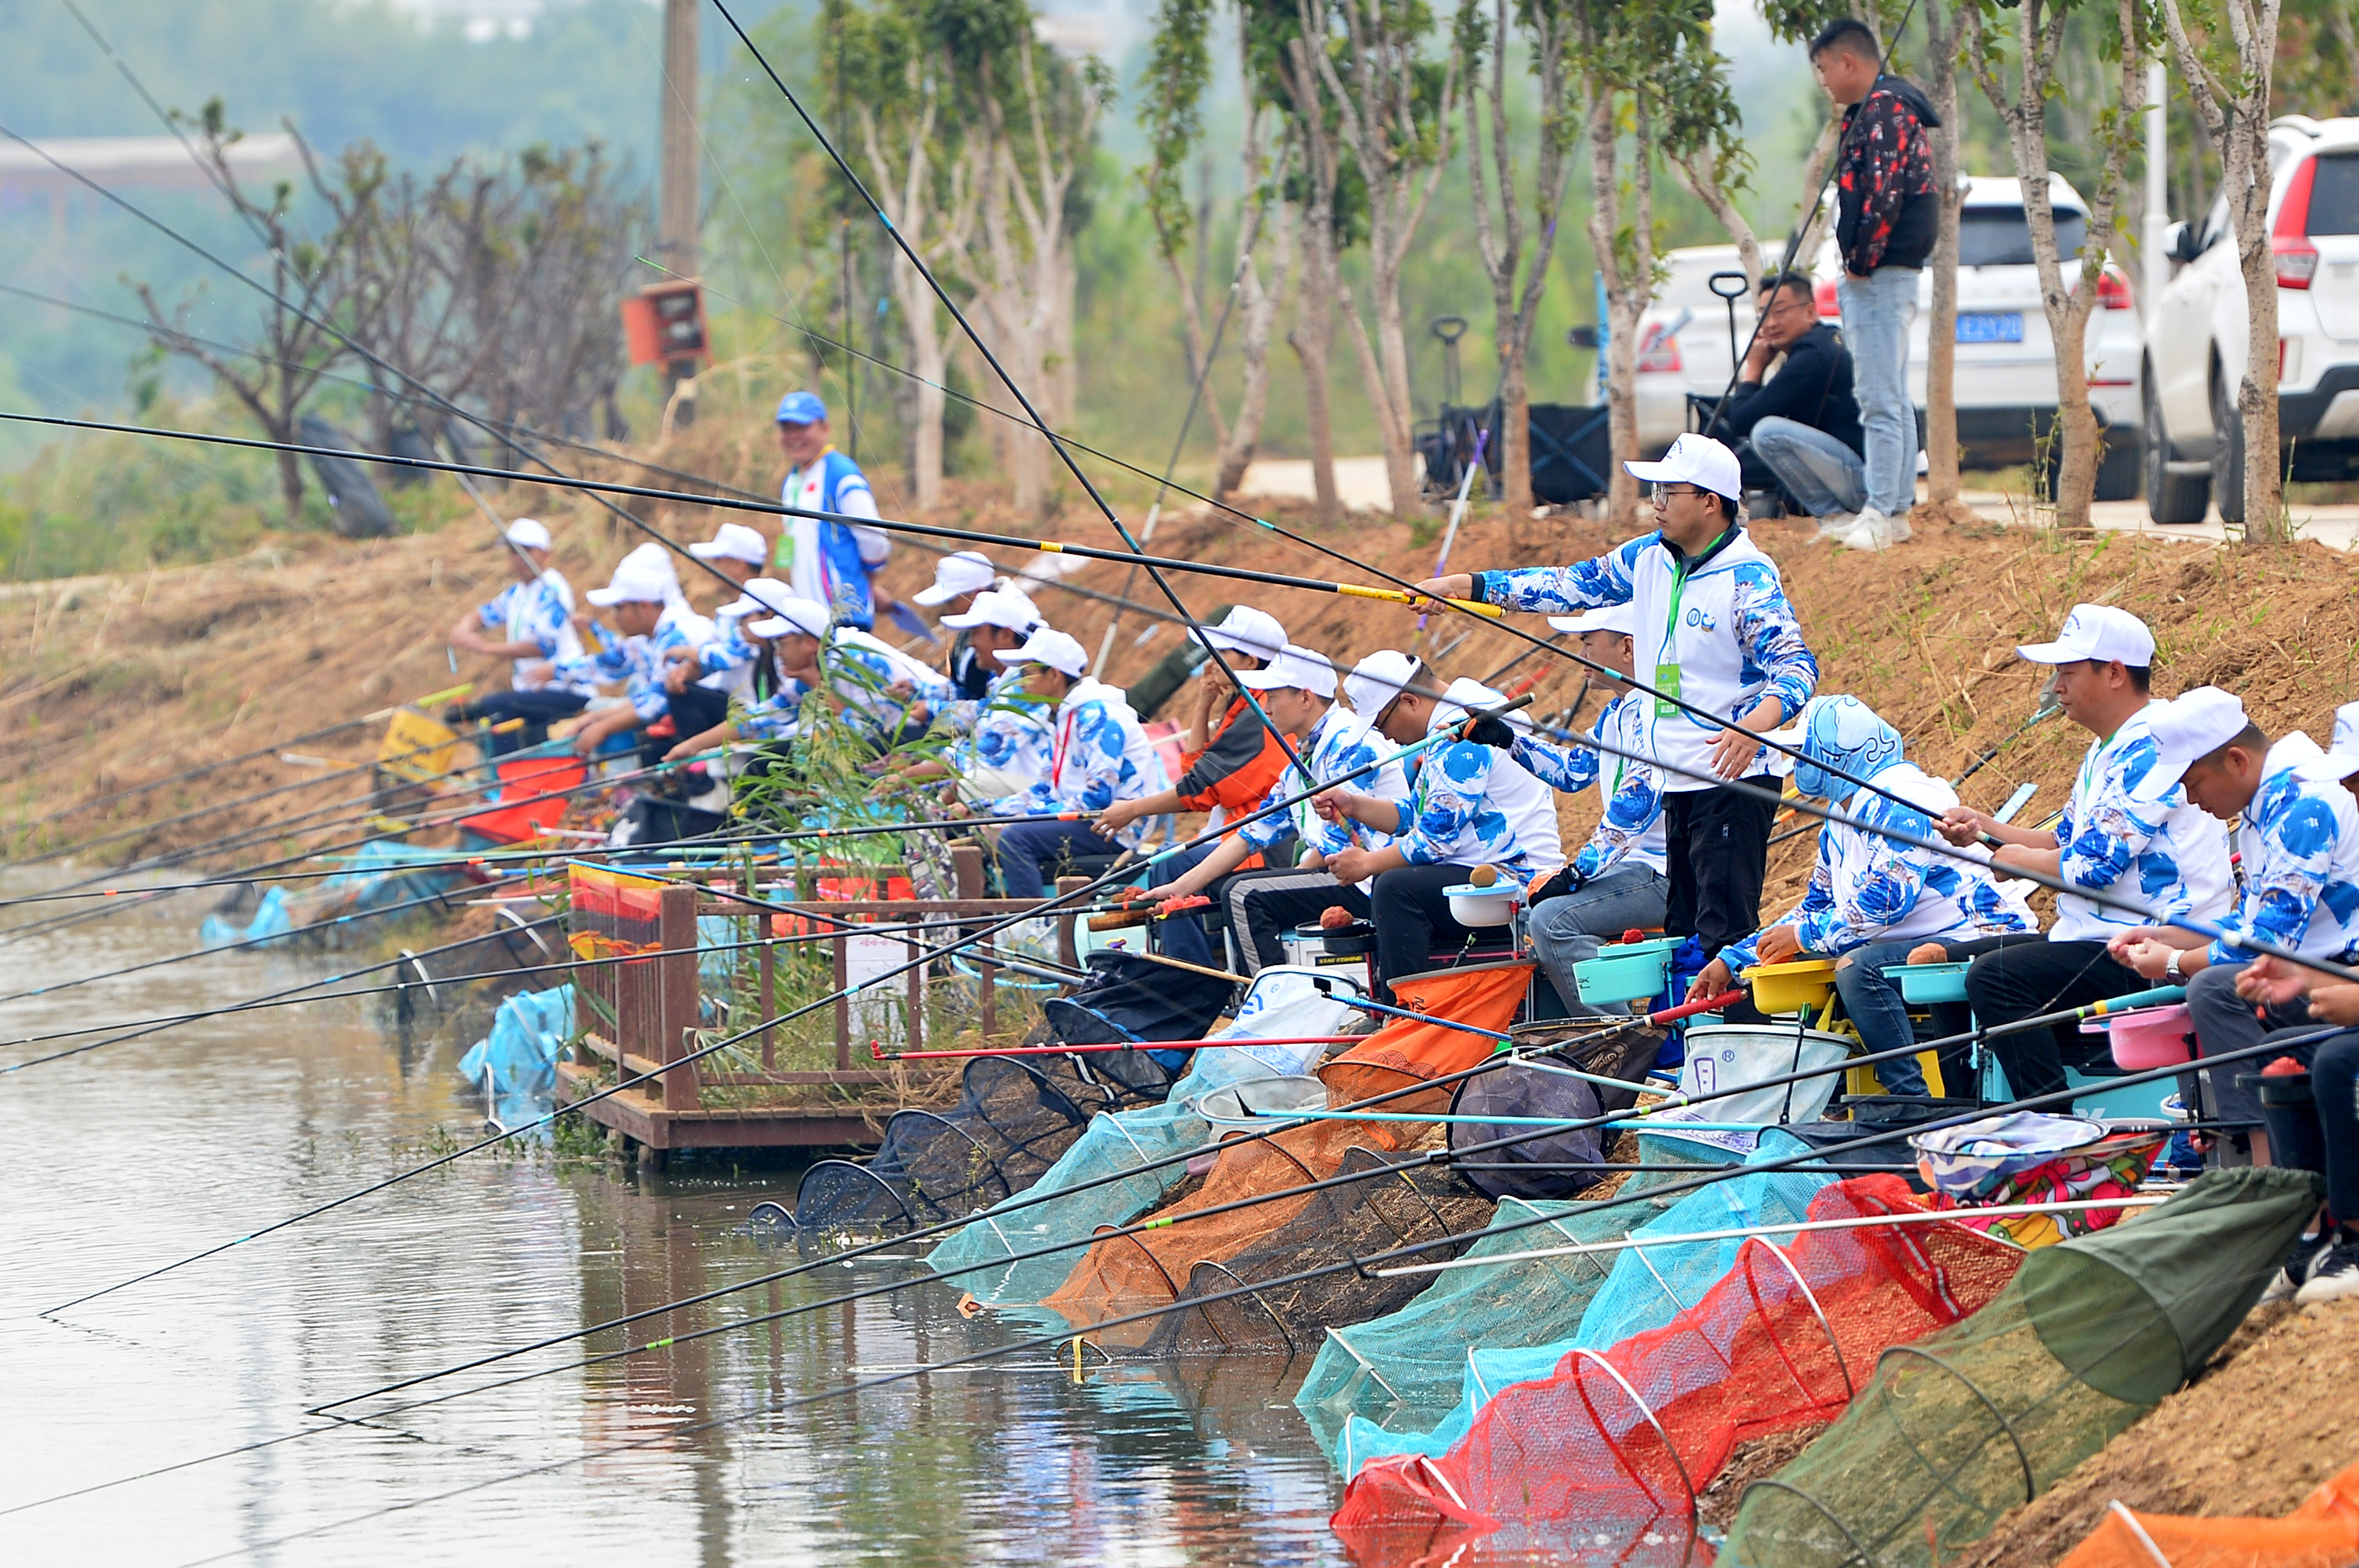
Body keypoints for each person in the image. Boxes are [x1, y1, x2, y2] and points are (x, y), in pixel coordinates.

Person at [1416, 431, 1820, 970]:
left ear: (1710, 502)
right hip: (1675, 776)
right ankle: (1685, 1042)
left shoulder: (1747, 579)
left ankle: (1731, 1039)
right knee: (1684, 930)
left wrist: (1753, 727)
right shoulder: (1649, 558)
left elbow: (1796, 669)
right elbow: (1568, 585)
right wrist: (1467, 586)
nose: (1655, 503)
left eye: (1668, 492)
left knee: (1723, 930)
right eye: (1653, 490)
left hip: (1733, 780)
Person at [1939, 605, 2234, 1106]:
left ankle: (2055, 1127)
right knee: (1950, 967)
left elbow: (2093, 868)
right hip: (2093, 937)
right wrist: (1984, 831)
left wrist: (2006, 860)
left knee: (1996, 976)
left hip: (2150, 943)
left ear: (2115, 673)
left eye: (2068, 673)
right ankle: (1972, 1117)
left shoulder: (2153, 743)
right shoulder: (2105, 749)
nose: (2057, 687)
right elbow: (2062, 844)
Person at [1687, 696, 2036, 1116]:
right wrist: (1735, 957)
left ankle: (1912, 1105)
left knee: (1857, 968)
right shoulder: (1841, 813)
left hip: (1983, 937)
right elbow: (1817, 905)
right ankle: (1850, 1098)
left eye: (1804, 751)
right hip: (1924, 941)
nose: (1796, 761)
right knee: (1832, 964)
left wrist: (1800, 936)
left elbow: (1886, 903)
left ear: (1838, 754)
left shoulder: (1900, 797)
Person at [2102, 688, 2359, 1166]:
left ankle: (2261, 1166)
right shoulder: (2262, 809)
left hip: (2339, 974)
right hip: (2306, 976)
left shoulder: (2301, 806)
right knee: (2211, 982)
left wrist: (2177, 962)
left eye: (2192, 781)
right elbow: (2248, 923)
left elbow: (2268, 943)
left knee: (2217, 988)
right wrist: (2164, 938)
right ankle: (2239, 1152)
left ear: (2236, 760)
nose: (2188, 798)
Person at [1143, 645, 1410, 974]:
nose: (1264, 707)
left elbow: (1335, 844)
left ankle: (1268, 998)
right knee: (1217, 888)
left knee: (1244, 893)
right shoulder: (1302, 756)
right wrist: (1181, 888)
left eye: (1272, 696)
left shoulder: (1349, 746)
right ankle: (1207, 980)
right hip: (1338, 874)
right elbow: (1254, 831)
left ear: (1306, 698)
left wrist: (1285, 882)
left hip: (1370, 879)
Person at [1313, 654, 1563, 993]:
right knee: (1397, 882)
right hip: (1481, 873)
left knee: (1394, 888)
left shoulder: (1460, 733)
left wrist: (1368, 864)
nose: (1386, 738)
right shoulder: (1459, 711)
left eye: (1381, 725)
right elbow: (1415, 814)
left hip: (1513, 883)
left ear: (1409, 701)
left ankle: (1403, 1013)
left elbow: (1433, 842)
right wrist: (1353, 804)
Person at [1486, 605, 1672, 1014]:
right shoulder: (1617, 714)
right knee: (1527, 909)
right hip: (1633, 869)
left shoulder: (1662, 712)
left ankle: (1618, 1042)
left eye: (1588, 643)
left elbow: (1634, 808)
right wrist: (1506, 739)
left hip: (1663, 873)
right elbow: (1572, 771)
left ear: (1627, 648)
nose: (1581, 655)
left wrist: (1576, 873)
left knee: (1552, 922)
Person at [1810, 16, 1941, 552]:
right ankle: (1897, 509)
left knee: (1879, 398)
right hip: (1884, 274)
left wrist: (1860, 260)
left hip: (1882, 274)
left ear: (1848, 62)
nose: (1823, 82)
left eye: (1823, 70)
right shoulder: (1875, 110)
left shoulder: (1885, 110)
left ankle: (1882, 511)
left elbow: (1884, 197)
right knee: (1889, 392)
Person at [1094, 606, 1294, 889]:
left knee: (1169, 863)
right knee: (1167, 858)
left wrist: (1133, 809)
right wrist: (1204, 702)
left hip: (1262, 849)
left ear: (1250, 662)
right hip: (1237, 835)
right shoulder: (1246, 706)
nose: (1211, 662)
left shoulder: (1259, 714)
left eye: (1221, 653)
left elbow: (1198, 790)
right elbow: (1196, 769)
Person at [984, 628, 1171, 899]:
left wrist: (1027, 816)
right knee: (988, 828)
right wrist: (991, 811)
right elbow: (1047, 788)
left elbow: (1099, 797)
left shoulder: (1096, 715)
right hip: (1087, 819)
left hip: (1115, 827)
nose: (1021, 683)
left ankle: (1032, 925)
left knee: (1016, 839)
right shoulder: (1064, 715)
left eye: (1026, 674)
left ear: (1055, 675)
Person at [668, 594, 951, 760]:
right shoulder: (822, 660)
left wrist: (815, 682)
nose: (777, 652)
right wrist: (691, 746)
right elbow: (761, 716)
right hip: (887, 738)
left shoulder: (853, 660)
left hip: (929, 732)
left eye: (782, 643)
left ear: (809, 643)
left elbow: (862, 733)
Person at [1721, 272, 1868, 535]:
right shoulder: (1827, 340)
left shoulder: (1813, 358)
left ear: (1811, 312)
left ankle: (1833, 517)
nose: (1770, 323)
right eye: (1763, 315)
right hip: (1868, 480)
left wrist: (1754, 367)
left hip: (1863, 485)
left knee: (1767, 433)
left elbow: (1741, 421)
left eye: (1780, 312)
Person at [874, 589, 1049, 801]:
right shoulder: (1000, 681)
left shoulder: (1025, 685)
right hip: (1013, 784)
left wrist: (905, 778)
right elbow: (974, 719)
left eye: (976, 633)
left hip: (1040, 794)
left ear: (1005, 634)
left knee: (973, 783)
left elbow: (980, 754)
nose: (969, 643)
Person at [548, 552, 717, 764]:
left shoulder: (677, 634)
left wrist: (603, 726)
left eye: (619, 608)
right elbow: (623, 670)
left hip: (704, 729)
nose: (614, 616)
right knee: (598, 712)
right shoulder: (655, 635)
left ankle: (626, 787)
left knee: (614, 726)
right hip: (687, 725)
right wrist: (595, 719)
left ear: (644, 605)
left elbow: (656, 702)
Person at [444, 519, 596, 753]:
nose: (518, 559)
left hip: (564, 688)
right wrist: (464, 628)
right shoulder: (516, 593)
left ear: (546, 554)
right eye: (513, 552)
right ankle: (509, 775)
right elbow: (485, 614)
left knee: (493, 705)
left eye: (526, 551)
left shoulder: (552, 589)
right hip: (532, 691)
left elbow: (539, 646)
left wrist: (485, 648)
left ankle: (512, 772)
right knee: (499, 721)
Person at [772, 390, 894, 630]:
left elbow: (875, 539)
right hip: (809, 620)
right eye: (787, 428)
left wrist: (866, 581)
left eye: (802, 427)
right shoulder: (793, 480)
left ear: (825, 428)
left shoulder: (841, 474)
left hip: (843, 617)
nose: (794, 436)